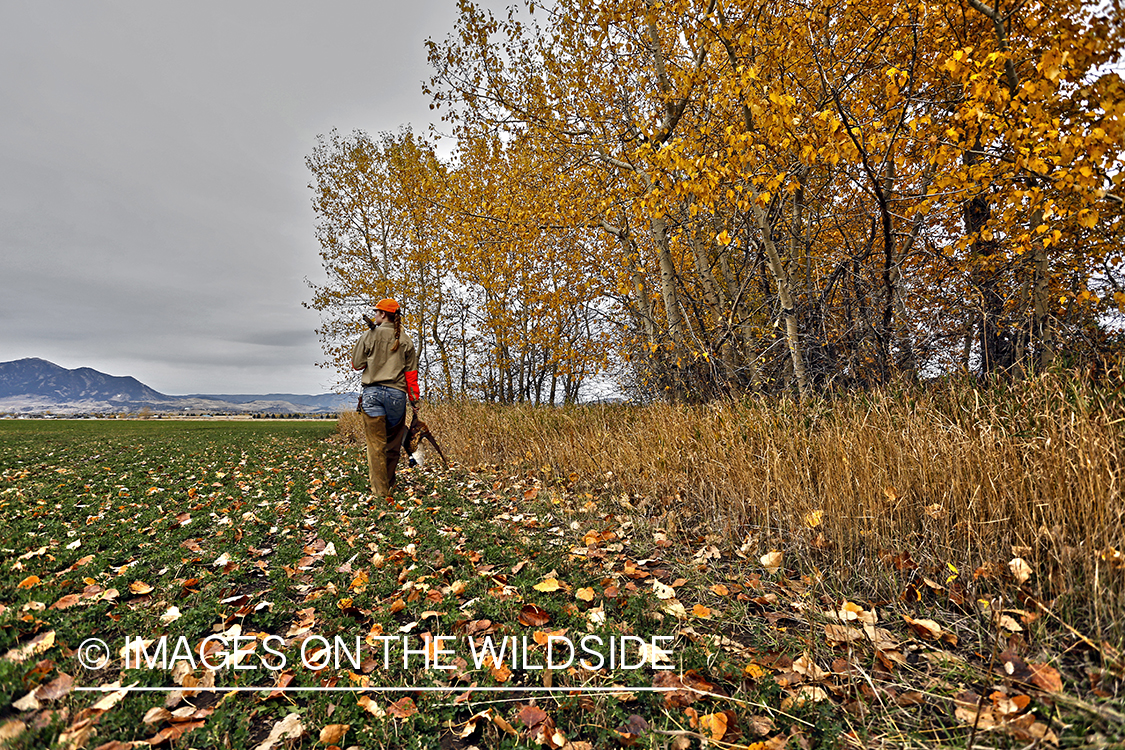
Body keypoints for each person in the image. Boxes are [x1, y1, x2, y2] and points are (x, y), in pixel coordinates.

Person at [351, 298, 420, 497]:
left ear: (383, 315)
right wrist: (414, 402)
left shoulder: (369, 335)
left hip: (372, 395)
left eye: (376, 312)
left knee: (375, 446)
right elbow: (411, 376)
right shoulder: (406, 340)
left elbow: (357, 365)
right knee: (392, 444)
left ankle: (381, 494)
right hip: (397, 396)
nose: (374, 315)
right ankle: (389, 484)